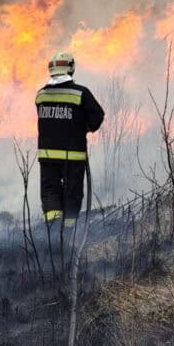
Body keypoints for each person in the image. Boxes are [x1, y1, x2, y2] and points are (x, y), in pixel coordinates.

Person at [36, 51, 104, 272]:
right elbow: (97, 116)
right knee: (72, 195)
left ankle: (52, 236)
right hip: (72, 157)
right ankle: (67, 237)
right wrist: (83, 126)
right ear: (71, 69)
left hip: (47, 157)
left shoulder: (40, 95)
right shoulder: (80, 93)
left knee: (50, 194)